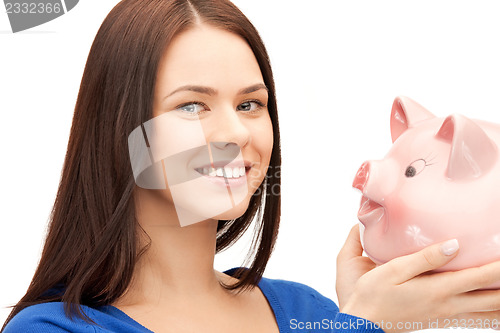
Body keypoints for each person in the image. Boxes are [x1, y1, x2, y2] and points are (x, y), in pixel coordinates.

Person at [3, 0, 500, 332]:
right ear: (120, 129)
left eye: (250, 105)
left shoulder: (307, 313)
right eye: (192, 106)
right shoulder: (53, 328)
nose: (236, 134)